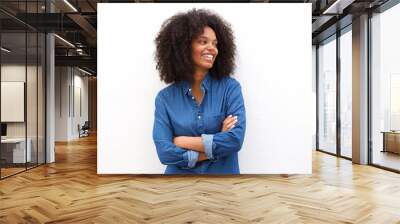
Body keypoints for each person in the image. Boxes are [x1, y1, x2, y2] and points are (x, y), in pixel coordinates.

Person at [153, 8, 246, 174]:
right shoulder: (165, 98)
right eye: (203, 42)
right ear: (184, 47)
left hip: (223, 184)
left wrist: (181, 141)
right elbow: (164, 153)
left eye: (215, 44)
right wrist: (215, 144)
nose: (212, 48)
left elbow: (235, 140)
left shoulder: (230, 89)